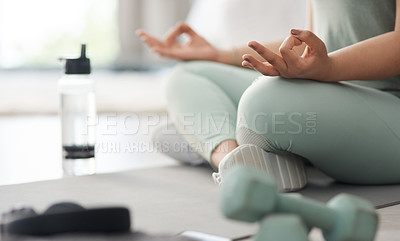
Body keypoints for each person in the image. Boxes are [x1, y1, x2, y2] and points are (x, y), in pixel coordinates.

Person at [137, 0, 400, 191]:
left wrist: (328, 68)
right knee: (188, 75)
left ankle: (218, 139)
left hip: (389, 107)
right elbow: (312, 44)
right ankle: (233, 161)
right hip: (334, 93)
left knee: (261, 102)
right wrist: (218, 56)